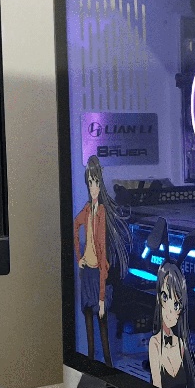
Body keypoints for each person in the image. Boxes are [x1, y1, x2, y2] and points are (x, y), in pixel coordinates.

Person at [73, 156, 129, 365]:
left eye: (96, 182)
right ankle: (90, 363)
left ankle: (107, 365)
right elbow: (74, 226)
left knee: (102, 320)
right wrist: (79, 257)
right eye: (90, 183)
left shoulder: (103, 212)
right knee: (88, 317)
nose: (93, 187)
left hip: (99, 274)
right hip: (87, 272)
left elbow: (104, 252)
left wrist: (103, 296)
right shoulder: (87, 209)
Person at [148, 260, 195, 388]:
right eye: (165, 297)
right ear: (159, 298)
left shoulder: (181, 344)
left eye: (176, 304)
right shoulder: (154, 344)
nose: (170, 311)